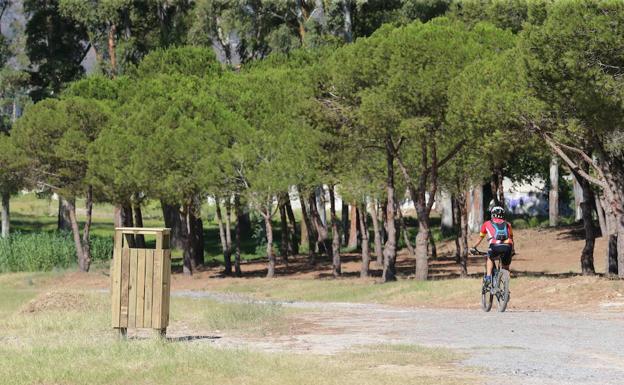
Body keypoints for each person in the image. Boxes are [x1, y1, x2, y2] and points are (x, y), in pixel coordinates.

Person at [471, 206, 514, 285]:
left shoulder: (487, 223)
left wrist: (473, 247)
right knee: (506, 267)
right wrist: (512, 250)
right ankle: (506, 289)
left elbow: (480, 238)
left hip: (494, 246)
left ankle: (487, 277)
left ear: (492, 214)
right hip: (508, 246)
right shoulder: (508, 224)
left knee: (490, 258)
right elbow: (511, 237)